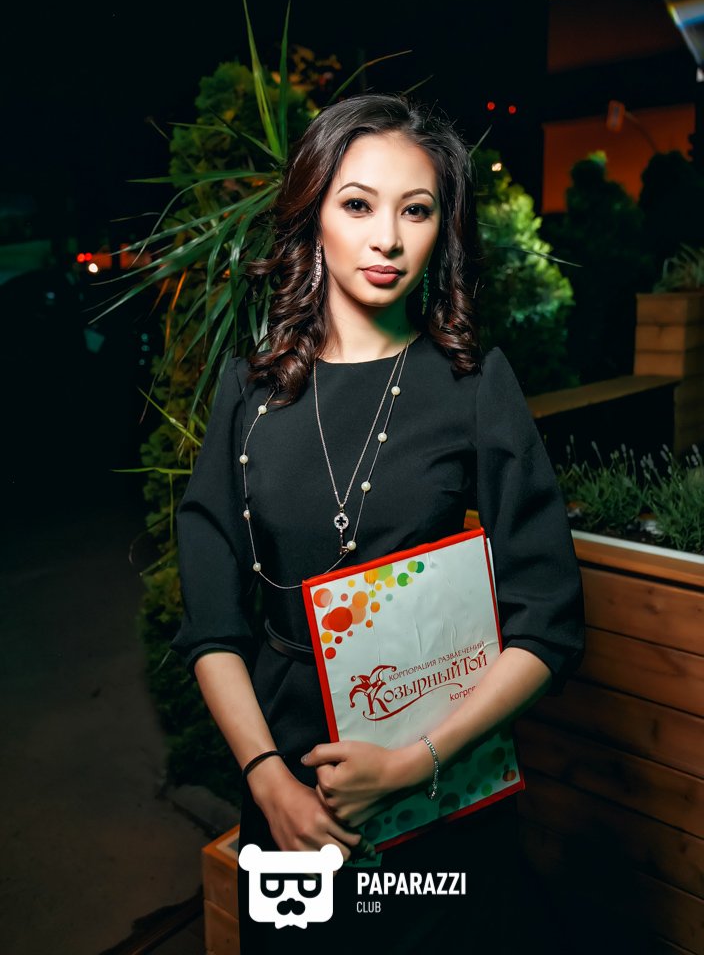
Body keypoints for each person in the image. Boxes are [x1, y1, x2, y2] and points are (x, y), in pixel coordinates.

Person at [171, 93, 585, 953]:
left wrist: (413, 762)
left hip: (436, 787)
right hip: (284, 781)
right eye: (358, 205)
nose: (387, 238)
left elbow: (547, 623)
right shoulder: (248, 393)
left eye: (416, 210)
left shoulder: (475, 386)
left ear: (443, 230)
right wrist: (268, 782)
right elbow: (213, 623)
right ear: (313, 215)